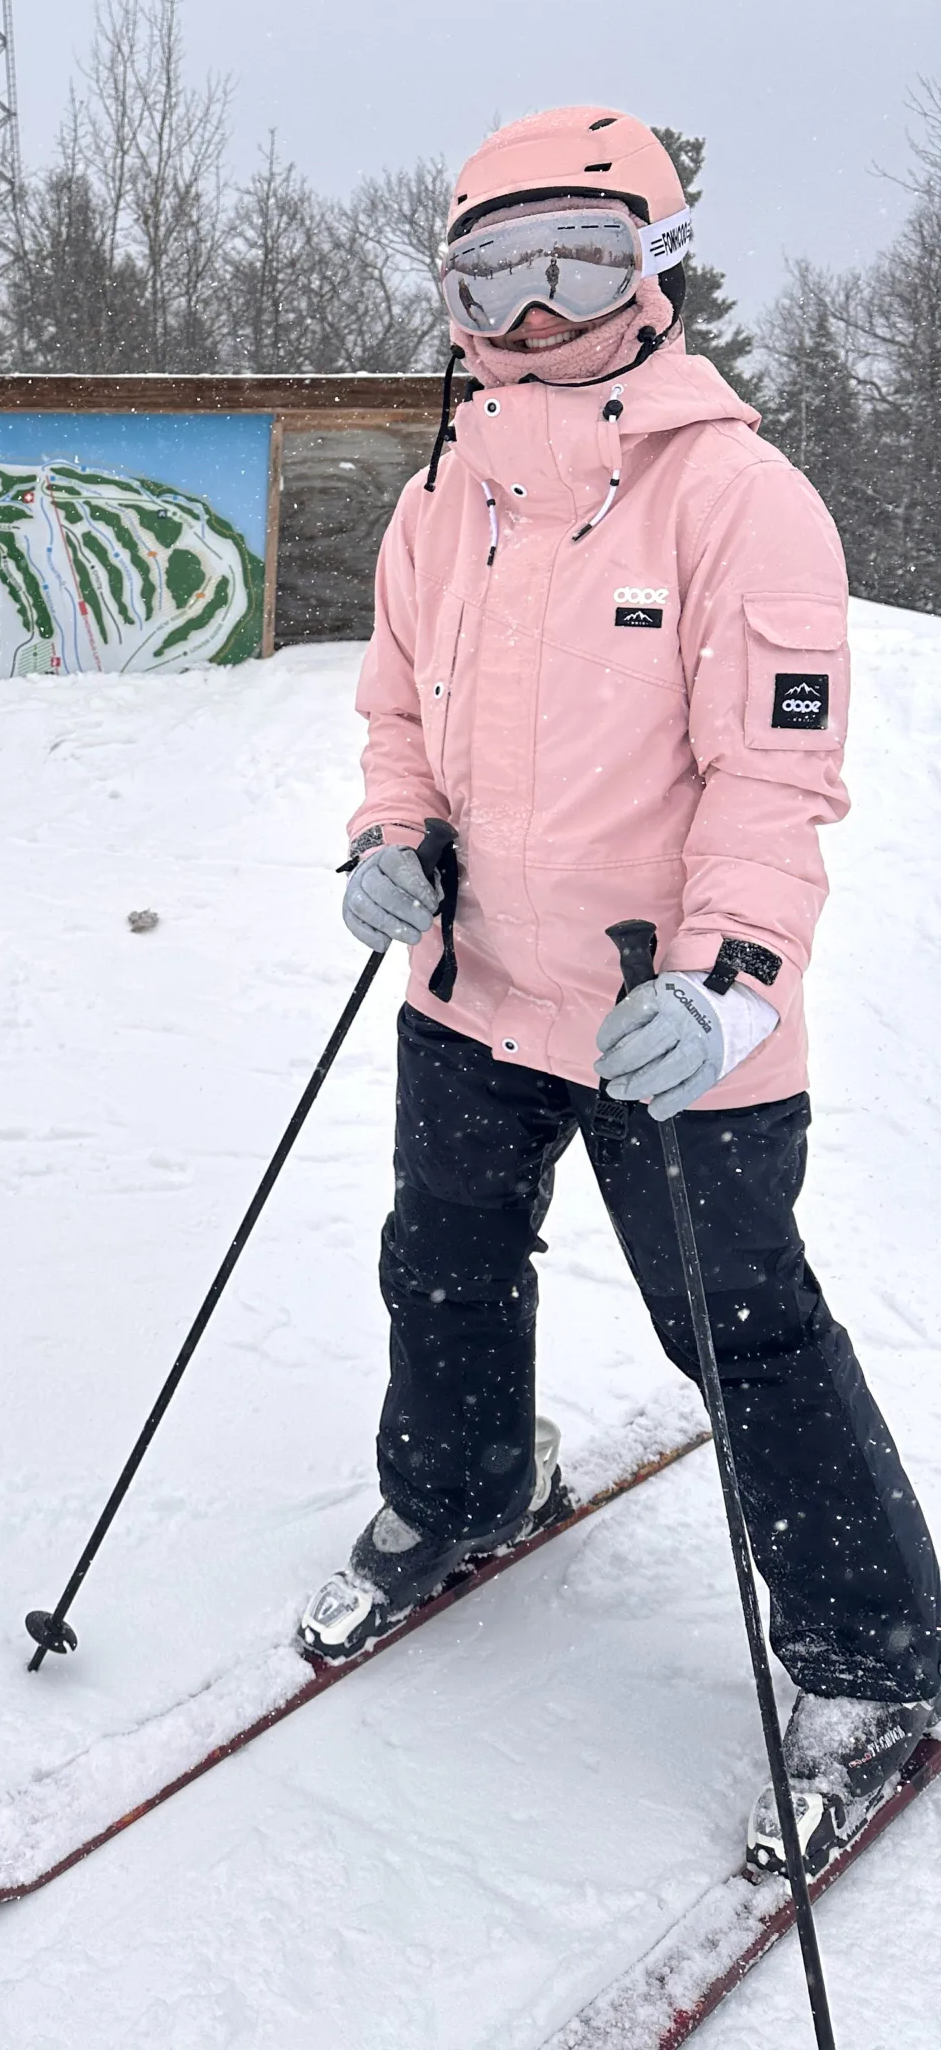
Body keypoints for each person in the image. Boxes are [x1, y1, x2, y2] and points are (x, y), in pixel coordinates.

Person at [297, 109, 939, 1876]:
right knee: (437, 1253)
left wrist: (732, 989)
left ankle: (878, 1663)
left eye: (577, 257)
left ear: (654, 267)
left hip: (675, 1027)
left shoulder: (742, 500)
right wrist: (391, 837)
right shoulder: (447, 494)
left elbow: (774, 779)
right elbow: (395, 717)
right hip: (472, 988)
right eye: (491, 270)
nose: (533, 307)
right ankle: (466, 1487)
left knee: (742, 1334)